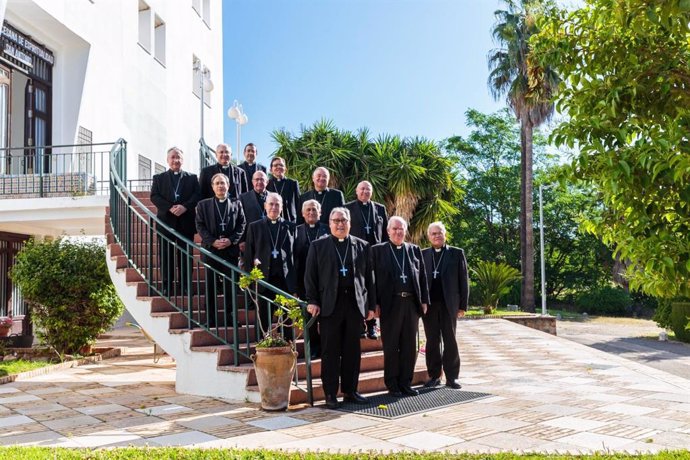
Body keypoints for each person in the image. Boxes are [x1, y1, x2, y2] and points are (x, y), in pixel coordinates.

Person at [305, 207, 376, 409]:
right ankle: (330, 394)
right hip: (330, 306)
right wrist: (312, 300)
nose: (340, 224)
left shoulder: (362, 246)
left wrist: (370, 306)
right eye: (336, 220)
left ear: (349, 223)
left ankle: (350, 391)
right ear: (329, 223)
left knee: (352, 351)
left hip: (354, 304)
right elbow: (310, 276)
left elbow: (369, 279)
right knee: (330, 351)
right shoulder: (318, 246)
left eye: (344, 220)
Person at [371, 216, 429, 397]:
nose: (398, 232)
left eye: (401, 229)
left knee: (409, 346)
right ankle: (392, 384)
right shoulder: (377, 251)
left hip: (411, 304)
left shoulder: (413, 250)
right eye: (394, 229)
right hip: (390, 305)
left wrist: (424, 300)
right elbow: (371, 281)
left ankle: (406, 382)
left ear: (405, 231)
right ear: (388, 231)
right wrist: (374, 304)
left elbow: (422, 277)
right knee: (391, 346)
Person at [421, 222, 468, 390]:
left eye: (439, 233)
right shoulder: (423, 254)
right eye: (433, 233)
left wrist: (463, 305)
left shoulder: (456, 253)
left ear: (445, 234)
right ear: (429, 236)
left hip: (450, 304)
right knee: (432, 341)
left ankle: (452, 377)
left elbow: (463, 280)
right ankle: (434, 376)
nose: (436, 236)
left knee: (450, 340)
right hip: (430, 305)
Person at [243, 193, 297, 337]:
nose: (274, 207)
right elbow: (248, 256)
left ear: (281, 207)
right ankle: (260, 350)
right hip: (264, 281)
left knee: (286, 319)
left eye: (277, 204)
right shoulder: (255, 227)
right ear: (265, 206)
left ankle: (288, 348)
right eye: (271, 204)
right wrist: (250, 281)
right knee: (263, 319)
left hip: (285, 281)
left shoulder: (291, 227)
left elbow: (295, 256)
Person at [195, 174, 246, 328]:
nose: (220, 186)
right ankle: (210, 319)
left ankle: (231, 318)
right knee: (210, 286)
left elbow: (242, 224)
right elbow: (200, 226)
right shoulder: (203, 205)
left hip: (230, 251)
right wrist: (213, 241)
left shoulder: (236, 204)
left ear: (228, 185)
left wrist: (231, 240)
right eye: (217, 183)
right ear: (212, 187)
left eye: (223, 183)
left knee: (231, 286)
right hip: (211, 251)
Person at [151, 147, 200, 296]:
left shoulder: (191, 178)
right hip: (166, 222)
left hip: (185, 222)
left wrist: (184, 207)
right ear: (167, 160)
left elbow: (197, 195)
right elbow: (154, 196)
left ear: (182, 160)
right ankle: (167, 286)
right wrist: (170, 208)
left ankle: (185, 286)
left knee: (186, 256)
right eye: (172, 157)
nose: (175, 160)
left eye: (178, 157)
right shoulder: (158, 178)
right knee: (166, 256)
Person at [345, 180, 389, 340]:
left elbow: (385, 233)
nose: (365, 191)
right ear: (357, 192)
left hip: (376, 254)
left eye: (368, 189)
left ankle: (372, 326)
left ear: (372, 192)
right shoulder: (348, 208)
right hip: (356, 253)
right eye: (362, 189)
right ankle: (360, 324)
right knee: (359, 288)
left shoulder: (380, 208)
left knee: (374, 288)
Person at [294, 199, 329, 358]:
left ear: (320, 213)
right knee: (310, 318)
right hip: (304, 282)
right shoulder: (296, 231)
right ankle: (314, 347)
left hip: (325, 282)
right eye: (308, 210)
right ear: (302, 213)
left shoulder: (327, 230)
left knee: (327, 316)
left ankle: (327, 346)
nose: (311, 213)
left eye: (314, 210)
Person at [266, 156, 300, 223]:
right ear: (271, 170)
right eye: (275, 165)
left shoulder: (293, 183)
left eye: (281, 165)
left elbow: (298, 203)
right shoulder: (267, 184)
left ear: (285, 169)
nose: (279, 167)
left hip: (290, 219)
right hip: (271, 220)